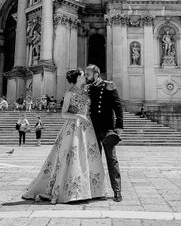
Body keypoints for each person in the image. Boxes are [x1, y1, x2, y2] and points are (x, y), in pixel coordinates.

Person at [22, 69, 105, 204]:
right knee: (73, 157)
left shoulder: (85, 91)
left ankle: (93, 190)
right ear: (77, 78)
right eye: (82, 75)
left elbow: (99, 85)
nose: (84, 77)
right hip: (74, 127)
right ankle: (72, 191)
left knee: (88, 157)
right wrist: (78, 116)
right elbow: (64, 113)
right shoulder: (69, 93)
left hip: (87, 129)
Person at [85, 64, 124, 202]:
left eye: (88, 74)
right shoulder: (87, 89)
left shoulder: (109, 86)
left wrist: (119, 125)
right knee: (93, 160)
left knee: (112, 160)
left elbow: (117, 105)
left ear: (96, 74)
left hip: (107, 129)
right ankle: (95, 189)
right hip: (92, 130)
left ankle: (117, 191)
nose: (86, 77)